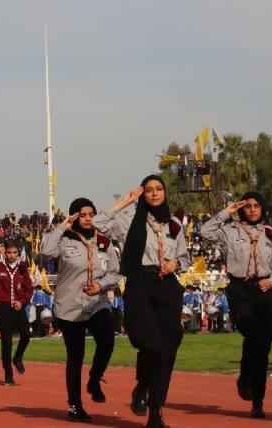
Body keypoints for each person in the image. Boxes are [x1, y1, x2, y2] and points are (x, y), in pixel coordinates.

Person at [93, 175, 190, 428]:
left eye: (159, 189)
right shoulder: (128, 220)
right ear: (143, 194)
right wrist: (124, 203)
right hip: (139, 284)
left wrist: (175, 263)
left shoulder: (174, 224)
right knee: (148, 343)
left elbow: (185, 257)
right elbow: (97, 222)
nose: (155, 193)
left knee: (168, 347)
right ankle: (143, 385)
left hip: (167, 285)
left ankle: (155, 410)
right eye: (149, 190)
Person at [202, 192, 272, 418]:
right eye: (248, 206)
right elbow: (205, 231)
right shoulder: (230, 231)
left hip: (264, 288)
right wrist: (227, 212)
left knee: (263, 346)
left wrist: (271, 281)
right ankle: (244, 373)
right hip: (240, 289)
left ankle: (257, 400)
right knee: (250, 330)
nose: (252, 209)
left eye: (256, 205)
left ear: (262, 208)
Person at [41, 197, 122, 421]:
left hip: (97, 303)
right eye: (82, 215)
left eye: (91, 214)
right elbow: (46, 251)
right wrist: (62, 226)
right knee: (75, 357)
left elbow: (115, 272)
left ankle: (95, 379)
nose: (87, 219)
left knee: (107, 341)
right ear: (75, 216)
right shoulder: (64, 239)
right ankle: (75, 405)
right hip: (69, 306)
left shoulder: (105, 241)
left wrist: (102, 285)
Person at [0, 240, 33, 385]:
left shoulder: (22, 268)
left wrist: (22, 301)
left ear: (18, 254)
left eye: (14, 253)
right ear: (5, 253)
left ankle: (18, 357)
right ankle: (8, 375)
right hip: (4, 307)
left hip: (19, 306)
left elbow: (29, 289)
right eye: (9, 252)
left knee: (26, 334)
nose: (11, 255)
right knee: (6, 341)